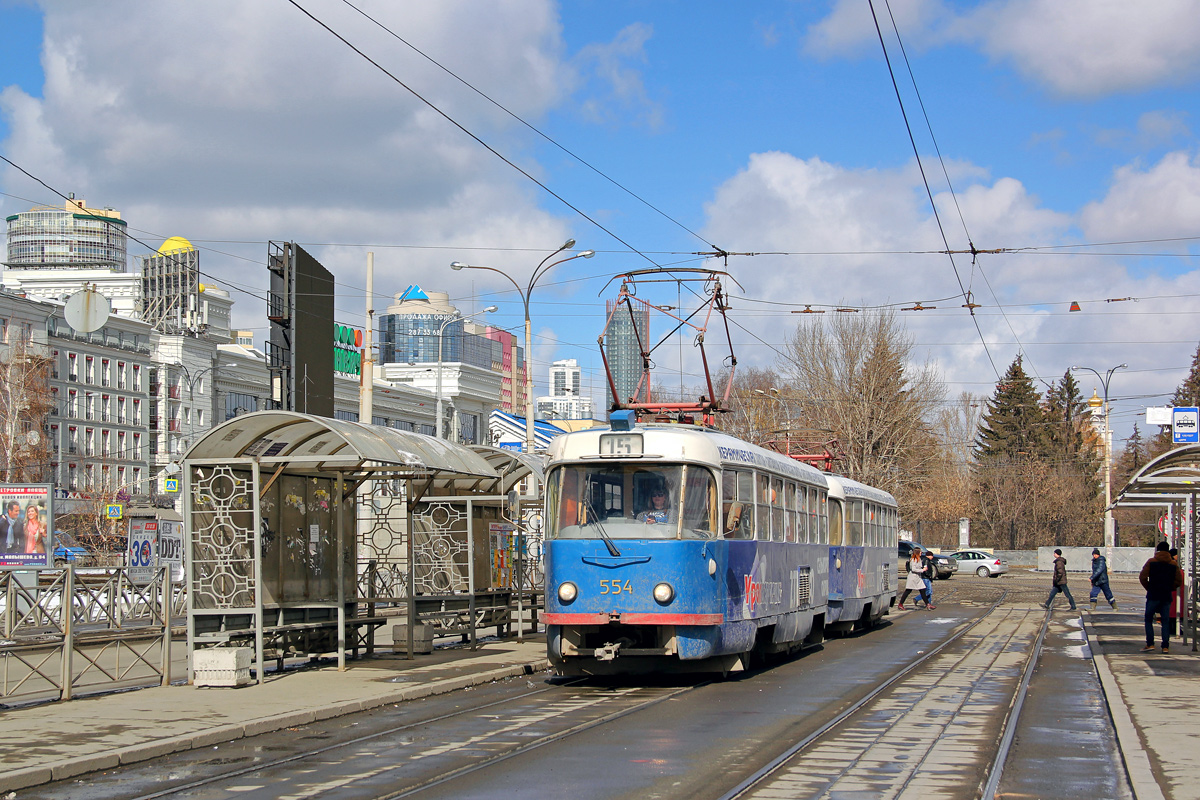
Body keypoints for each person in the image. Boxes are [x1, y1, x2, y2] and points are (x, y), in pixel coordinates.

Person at [1139, 541, 1184, 653]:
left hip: (1153, 594)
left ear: (1158, 550)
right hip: (1166, 595)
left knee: (1148, 619)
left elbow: (1142, 577)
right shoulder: (1173, 564)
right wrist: (1170, 587)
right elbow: (1179, 581)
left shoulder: (1151, 562)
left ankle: (1150, 644)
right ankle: (1165, 646)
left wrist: (1149, 587)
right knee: (1165, 621)